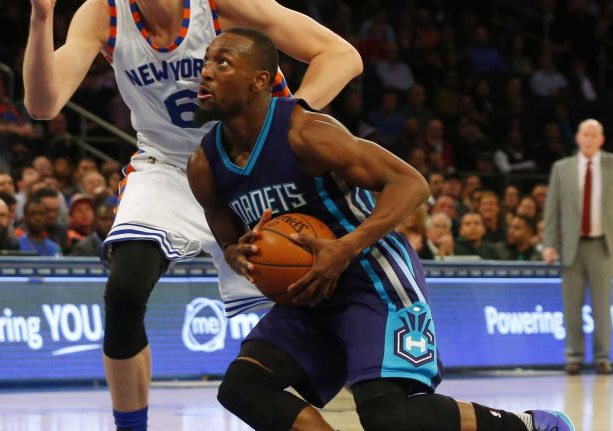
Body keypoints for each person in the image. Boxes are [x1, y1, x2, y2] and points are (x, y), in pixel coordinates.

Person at [188, 28, 575, 431]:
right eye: (206, 63)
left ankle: (529, 425)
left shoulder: (306, 133)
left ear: (261, 80)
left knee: (390, 417)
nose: (206, 73)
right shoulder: (204, 164)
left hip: (371, 279)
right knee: (243, 387)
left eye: (223, 62)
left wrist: (345, 247)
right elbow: (222, 226)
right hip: (308, 294)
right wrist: (236, 252)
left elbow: (412, 184)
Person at [23, 0, 362, 429]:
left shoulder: (221, 5)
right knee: (124, 291)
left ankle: (378, 387)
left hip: (248, 158)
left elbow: (342, 56)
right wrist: (41, 17)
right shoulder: (103, 12)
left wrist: (282, 127)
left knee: (314, 294)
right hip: (168, 165)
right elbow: (43, 104)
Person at [543, 119, 613, 375]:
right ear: (577, 138)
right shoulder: (562, 168)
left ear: (601, 139)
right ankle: (573, 357)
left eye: (594, 135)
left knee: (603, 305)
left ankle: (603, 358)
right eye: (585, 134)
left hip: (603, 244)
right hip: (571, 245)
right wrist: (549, 244)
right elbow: (552, 208)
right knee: (572, 306)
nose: (589, 139)